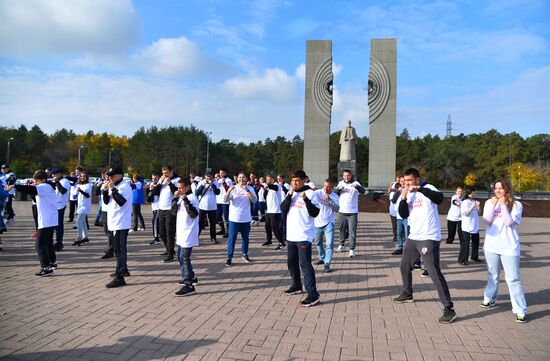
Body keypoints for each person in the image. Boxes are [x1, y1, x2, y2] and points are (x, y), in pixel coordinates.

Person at [393, 168, 456, 324]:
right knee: (404, 265)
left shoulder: (428, 188)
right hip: (414, 236)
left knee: (434, 272)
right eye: (405, 181)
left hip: (429, 237)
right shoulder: (408, 194)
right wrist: (403, 198)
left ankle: (449, 308)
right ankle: (408, 293)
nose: (406, 183)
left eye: (409, 180)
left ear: (417, 179)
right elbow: (404, 214)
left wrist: (420, 189)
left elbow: (439, 198)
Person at [481, 179, 527, 323]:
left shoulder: (516, 205)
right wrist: (494, 204)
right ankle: (490, 298)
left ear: (507, 189)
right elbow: (487, 220)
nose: (498, 191)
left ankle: (520, 310)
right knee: (492, 274)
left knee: (513, 278)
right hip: (491, 245)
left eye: (501, 188)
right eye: (496, 188)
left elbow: (509, 222)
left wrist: (503, 206)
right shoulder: (489, 203)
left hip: (509, 247)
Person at [6, 170, 58, 276]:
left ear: (42, 180)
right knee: (48, 243)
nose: (36, 183)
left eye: (36, 181)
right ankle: (51, 263)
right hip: (50, 220)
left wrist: (15, 185)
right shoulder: (47, 187)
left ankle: (46, 268)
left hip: (46, 220)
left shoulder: (44, 186)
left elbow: (30, 189)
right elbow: (34, 194)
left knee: (39, 245)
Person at [281, 170, 321, 307]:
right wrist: (289, 195)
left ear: (304, 180)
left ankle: (313, 294)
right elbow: (283, 208)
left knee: (305, 264)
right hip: (291, 235)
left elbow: (315, 213)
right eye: (292, 181)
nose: (294, 183)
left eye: (297, 180)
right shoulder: (290, 193)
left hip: (304, 235)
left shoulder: (311, 193)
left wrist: (305, 199)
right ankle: (297, 286)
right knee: (291, 262)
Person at [102, 166, 132, 288]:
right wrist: (105, 191)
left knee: (120, 249)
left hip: (121, 222)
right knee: (116, 249)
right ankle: (121, 268)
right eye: (109, 176)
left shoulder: (125, 186)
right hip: (114, 221)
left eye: (113, 176)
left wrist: (113, 189)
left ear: (120, 175)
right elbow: (106, 202)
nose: (110, 178)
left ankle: (120, 276)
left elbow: (122, 202)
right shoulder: (114, 185)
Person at [172, 177, 200, 296]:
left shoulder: (192, 198)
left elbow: (193, 214)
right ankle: (191, 276)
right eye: (178, 188)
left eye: (181, 188)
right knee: (180, 256)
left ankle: (188, 285)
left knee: (184, 258)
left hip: (189, 232)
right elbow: (173, 212)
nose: (179, 190)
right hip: (181, 232)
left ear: (187, 187)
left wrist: (185, 200)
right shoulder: (180, 197)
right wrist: (175, 198)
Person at [224, 172, 256, 266]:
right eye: (240, 177)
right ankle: (229, 257)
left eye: (243, 177)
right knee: (232, 238)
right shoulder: (233, 188)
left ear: (246, 179)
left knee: (245, 238)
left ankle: (244, 253)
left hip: (245, 218)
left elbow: (254, 200)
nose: (241, 179)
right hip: (234, 218)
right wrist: (229, 191)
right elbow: (225, 200)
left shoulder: (250, 188)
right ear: (237, 179)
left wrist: (247, 191)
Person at [152, 165, 180, 262]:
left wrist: (170, 183)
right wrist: (159, 182)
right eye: (163, 173)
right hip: (161, 208)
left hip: (170, 209)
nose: (165, 175)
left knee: (169, 232)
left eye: (166, 173)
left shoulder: (177, 180)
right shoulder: (162, 180)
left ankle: (170, 254)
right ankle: (169, 249)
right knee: (161, 232)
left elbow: (176, 193)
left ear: (171, 171)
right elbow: (154, 193)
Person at [334, 169, 365, 257]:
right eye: (345, 175)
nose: (346, 177)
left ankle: (351, 249)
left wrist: (357, 187)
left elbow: (363, 191)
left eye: (348, 175)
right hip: (341, 212)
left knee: (352, 231)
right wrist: (339, 189)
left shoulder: (356, 183)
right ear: (343, 176)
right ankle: (341, 245)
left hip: (352, 212)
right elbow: (334, 194)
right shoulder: (340, 183)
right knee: (341, 230)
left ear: (351, 176)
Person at [313, 179, 339, 273]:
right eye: (324, 186)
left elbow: (337, 209)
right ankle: (322, 257)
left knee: (329, 244)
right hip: (317, 222)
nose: (326, 188)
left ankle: (327, 263)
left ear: (332, 187)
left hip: (329, 223)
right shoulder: (318, 193)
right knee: (318, 242)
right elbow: (309, 196)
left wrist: (330, 200)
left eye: (328, 187)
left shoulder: (335, 196)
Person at [261, 175, 286, 250]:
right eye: (267, 179)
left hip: (275, 211)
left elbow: (274, 187)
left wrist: (266, 185)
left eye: (269, 179)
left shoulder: (276, 185)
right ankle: (269, 240)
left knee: (275, 227)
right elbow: (265, 196)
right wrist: (265, 189)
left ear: (272, 179)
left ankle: (281, 242)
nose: (267, 180)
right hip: (269, 211)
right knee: (267, 226)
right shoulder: (269, 188)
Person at [195, 172, 220, 244]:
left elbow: (218, 192)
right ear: (205, 176)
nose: (209, 178)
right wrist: (203, 185)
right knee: (200, 223)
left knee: (212, 223)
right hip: (202, 206)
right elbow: (197, 193)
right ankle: (196, 238)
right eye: (207, 176)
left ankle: (213, 238)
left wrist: (213, 185)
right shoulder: (201, 182)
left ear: (212, 177)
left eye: (210, 176)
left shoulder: (215, 182)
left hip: (212, 207)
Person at [458, 187, 481, 265]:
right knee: (465, 243)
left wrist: (478, 206)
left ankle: (474, 257)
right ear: (471, 192)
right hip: (466, 226)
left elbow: (479, 212)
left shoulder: (473, 201)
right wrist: (473, 206)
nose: (475, 193)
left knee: (476, 242)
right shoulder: (465, 202)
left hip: (475, 225)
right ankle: (462, 259)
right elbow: (466, 213)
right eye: (474, 192)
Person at [51, 168, 71, 251]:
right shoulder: (54, 180)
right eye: (53, 174)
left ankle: (59, 243)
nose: (53, 176)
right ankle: (52, 242)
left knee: (59, 225)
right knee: (52, 225)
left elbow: (63, 191)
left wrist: (56, 182)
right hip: (53, 205)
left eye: (55, 174)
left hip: (60, 205)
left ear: (60, 174)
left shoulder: (65, 181)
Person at [73, 170, 92, 246]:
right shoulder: (78, 185)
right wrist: (76, 191)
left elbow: (87, 195)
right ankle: (86, 237)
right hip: (80, 205)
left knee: (78, 221)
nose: (82, 177)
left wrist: (80, 191)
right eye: (81, 176)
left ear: (87, 177)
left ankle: (79, 237)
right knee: (83, 222)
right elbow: (74, 196)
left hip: (85, 206)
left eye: (84, 176)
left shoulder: (88, 185)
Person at [390, 181, 408, 255]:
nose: (402, 184)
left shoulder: (409, 191)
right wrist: (398, 192)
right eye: (401, 182)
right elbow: (393, 201)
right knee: (399, 233)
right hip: (399, 216)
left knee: (407, 234)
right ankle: (400, 248)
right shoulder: (397, 193)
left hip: (407, 217)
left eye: (404, 182)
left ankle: (407, 249)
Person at [215, 168, 232, 238]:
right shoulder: (218, 180)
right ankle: (222, 229)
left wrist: (224, 182)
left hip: (225, 201)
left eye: (222, 173)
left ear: (225, 173)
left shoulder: (228, 180)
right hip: (218, 200)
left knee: (226, 217)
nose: (221, 174)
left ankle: (228, 231)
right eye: (220, 173)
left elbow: (228, 189)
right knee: (218, 216)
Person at [146, 173, 161, 245]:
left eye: (155, 178)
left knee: (154, 221)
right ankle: (159, 235)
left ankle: (156, 238)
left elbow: (157, 192)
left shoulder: (160, 185)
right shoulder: (151, 185)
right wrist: (149, 190)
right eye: (153, 178)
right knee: (158, 222)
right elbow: (149, 199)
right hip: (154, 206)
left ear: (159, 178)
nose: (154, 180)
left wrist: (152, 189)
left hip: (159, 207)